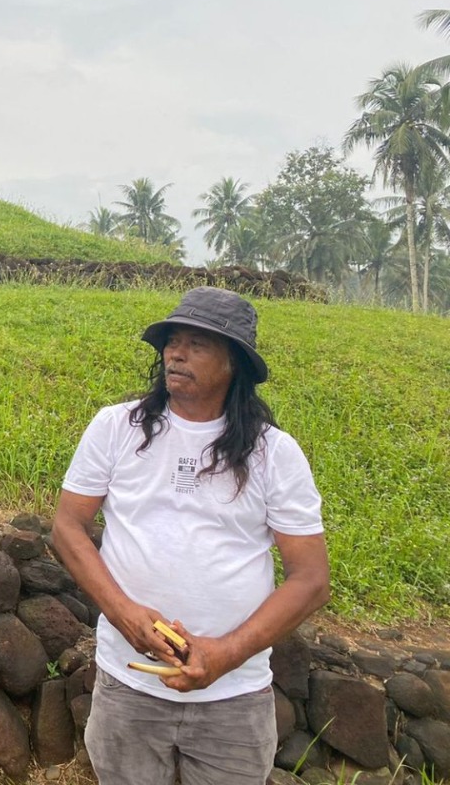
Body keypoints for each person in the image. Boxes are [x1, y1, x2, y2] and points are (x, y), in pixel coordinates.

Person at [52, 286, 330, 785]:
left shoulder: (274, 454)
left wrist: (225, 654)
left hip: (234, 699)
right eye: (172, 341)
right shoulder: (118, 428)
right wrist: (125, 615)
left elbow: (310, 579)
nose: (175, 353)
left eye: (197, 344)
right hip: (128, 684)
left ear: (235, 364)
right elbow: (68, 528)